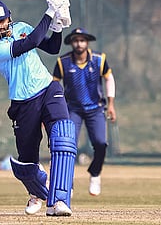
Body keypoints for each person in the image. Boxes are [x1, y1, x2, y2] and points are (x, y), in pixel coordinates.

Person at [0, 0, 76, 217]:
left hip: (48, 88)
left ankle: (59, 201)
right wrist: (50, 12)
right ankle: (37, 193)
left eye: (2, 20)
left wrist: (58, 25)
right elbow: (29, 43)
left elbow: (52, 47)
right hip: (23, 102)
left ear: (9, 17)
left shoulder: (21, 26)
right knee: (27, 163)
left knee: (63, 136)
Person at [53, 27, 117, 196]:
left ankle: (95, 174)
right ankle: (68, 183)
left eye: (82, 40)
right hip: (72, 109)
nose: (79, 43)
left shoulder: (99, 59)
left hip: (95, 108)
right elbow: (54, 85)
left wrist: (111, 104)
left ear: (87, 42)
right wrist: (53, 109)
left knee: (101, 144)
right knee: (67, 146)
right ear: (71, 43)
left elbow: (109, 78)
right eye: (75, 40)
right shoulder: (63, 62)